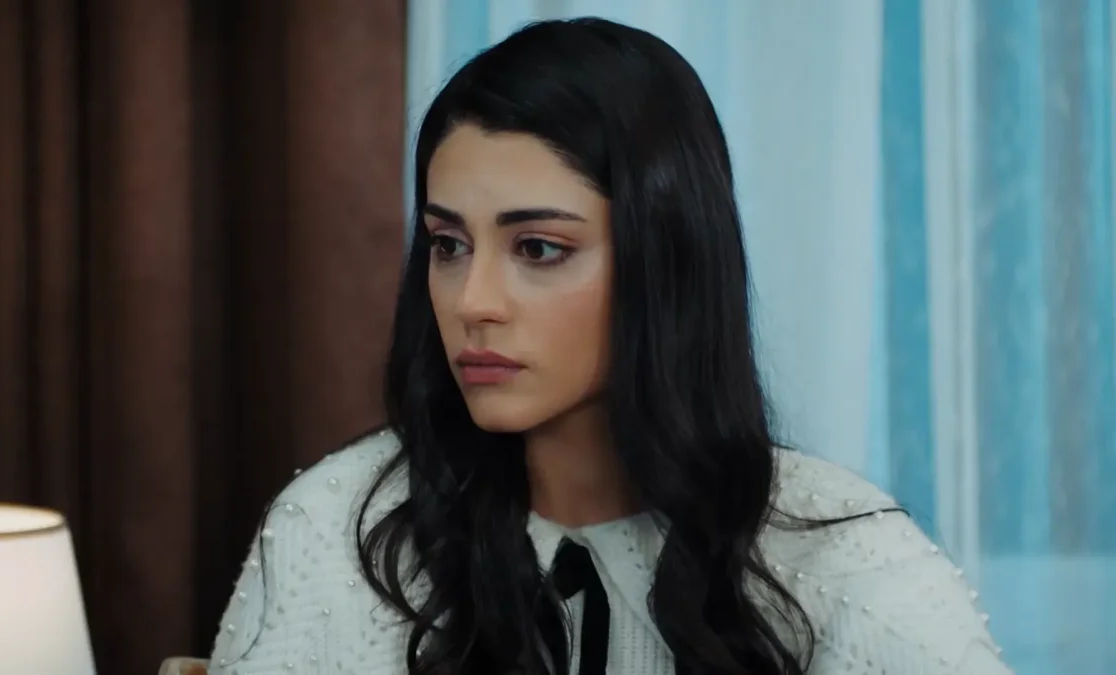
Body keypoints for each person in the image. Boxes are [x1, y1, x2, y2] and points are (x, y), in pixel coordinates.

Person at [208, 18, 1011, 675]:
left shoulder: (847, 569)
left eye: (538, 248)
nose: (472, 301)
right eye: (449, 244)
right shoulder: (335, 531)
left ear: (666, 261)